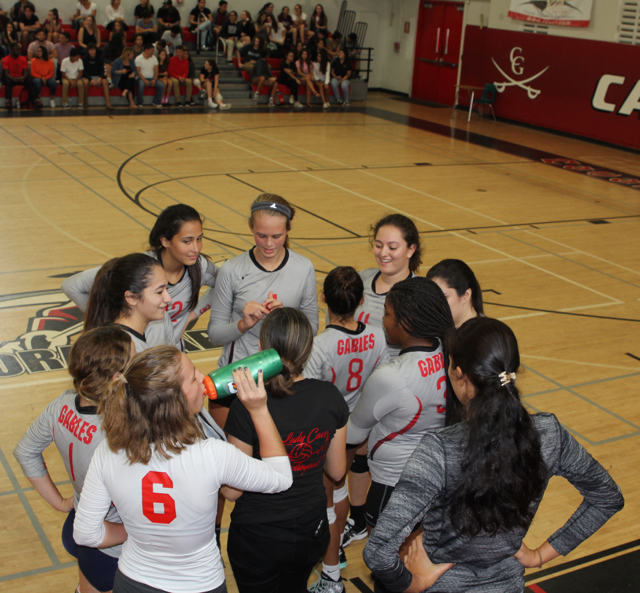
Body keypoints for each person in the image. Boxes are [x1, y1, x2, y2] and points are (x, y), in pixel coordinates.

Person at [364, 316, 625, 593]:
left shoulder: (439, 450)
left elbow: (378, 552)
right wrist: (538, 556)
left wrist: (414, 584)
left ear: (460, 376)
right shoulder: (549, 435)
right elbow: (607, 498)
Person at [73, 344, 293, 593]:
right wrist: (259, 409)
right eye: (193, 377)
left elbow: (85, 534)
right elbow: (281, 478)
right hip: (199, 585)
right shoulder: (211, 455)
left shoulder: (108, 451)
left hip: (133, 581)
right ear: (175, 402)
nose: (203, 378)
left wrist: (139, 531)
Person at [225, 307, 349, 593]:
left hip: (258, 536)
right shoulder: (329, 395)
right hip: (310, 528)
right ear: (309, 349)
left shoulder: (245, 406)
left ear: (260, 350)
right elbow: (337, 471)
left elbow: (232, 491)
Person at [13, 326, 132, 593]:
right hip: (114, 546)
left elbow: (25, 451)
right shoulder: (115, 433)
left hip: (80, 527)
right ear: (116, 378)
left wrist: (60, 502)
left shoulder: (62, 404)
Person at [346, 277, 454, 561]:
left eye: (387, 314)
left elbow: (353, 435)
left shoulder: (392, 376)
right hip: (438, 479)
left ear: (404, 322)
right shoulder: (450, 355)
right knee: (421, 562)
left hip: (393, 486)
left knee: (388, 567)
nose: (383, 320)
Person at [304, 267, 389, 593]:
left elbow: (312, 394)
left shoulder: (320, 345)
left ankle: (332, 568)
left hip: (329, 431)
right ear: (362, 301)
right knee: (339, 488)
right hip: (359, 426)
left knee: (328, 495)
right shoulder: (378, 335)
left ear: (324, 298)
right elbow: (379, 383)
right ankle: (336, 546)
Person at [207, 193, 319, 429]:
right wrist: (243, 324)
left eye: (277, 236)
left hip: (285, 380)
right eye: (261, 235)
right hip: (237, 378)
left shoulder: (303, 267)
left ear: (288, 231)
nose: (269, 244)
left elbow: (312, 328)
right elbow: (215, 334)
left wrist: (287, 319)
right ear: (250, 227)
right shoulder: (231, 270)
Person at [62, 204, 219, 350]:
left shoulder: (200, 266)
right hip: (136, 356)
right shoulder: (139, 268)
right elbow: (71, 286)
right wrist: (104, 319)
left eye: (199, 239)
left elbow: (225, 285)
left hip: (169, 355)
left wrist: (192, 316)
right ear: (165, 241)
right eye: (187, 241)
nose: (196, 248)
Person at [355, 214, 422, 359]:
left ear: (411, 250)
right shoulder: (360, 279)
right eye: (378, 245)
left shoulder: (420, 295)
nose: (383, 253)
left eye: (392, 247)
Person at [82, 253, 174, 352]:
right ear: (132, 298)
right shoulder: (124, 351)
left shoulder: (133, 339)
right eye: (159, 292)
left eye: (167, 288)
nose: (168, 299)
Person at [426, 259, 484, 329]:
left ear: (466, 296)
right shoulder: (434, 330)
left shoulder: (487, 336)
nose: (435, 305)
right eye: (432, 298)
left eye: (444, 297)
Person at [3, 41, 39, 111]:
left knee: (29, 80)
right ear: (12, 50)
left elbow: (26, 72)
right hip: (11, 78)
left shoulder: (23, 58)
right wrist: (13, 78)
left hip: (21, 78)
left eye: (19, 49)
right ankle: (8, 100)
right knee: (7, 81)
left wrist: (23, 77)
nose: (18, 51)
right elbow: (6, 73)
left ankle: (35, 100)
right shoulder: (6, 59)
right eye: (16, 49)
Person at [82, 43, 113, 109]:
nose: (92, 51)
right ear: (88, 51)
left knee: (104, 81)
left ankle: (108, 103)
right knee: (85, 82)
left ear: (96, 50)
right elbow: (84, 72)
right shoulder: (84, 59)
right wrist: (90, 79)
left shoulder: (100, 58)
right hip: (88, 77)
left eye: (93, 50)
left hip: (98, 77)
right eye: (90, 50)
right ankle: (86, 102)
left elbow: (103, 70)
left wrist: (101, 78)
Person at [103, 19, 126, 85]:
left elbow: (124, 57)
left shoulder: (123, 47)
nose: (123, 40)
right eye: (122, 39)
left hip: (119, 63)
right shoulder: (107, 46)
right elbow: (103, 58)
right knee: (108, 67)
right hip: (109, 62)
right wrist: (111, 62)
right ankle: (109, 82)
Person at [312, 44, 330, 109]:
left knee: (326, 87)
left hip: (324, 79)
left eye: (319, 56)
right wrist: (318, 80)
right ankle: (324, 102)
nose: (318, 57)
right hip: (317, 80)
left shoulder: (327, 64)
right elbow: (314, 74)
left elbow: (327, 74)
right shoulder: (315, 64)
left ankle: (327, 101)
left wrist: (326, 82)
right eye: (318, 56)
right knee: (320, 85)